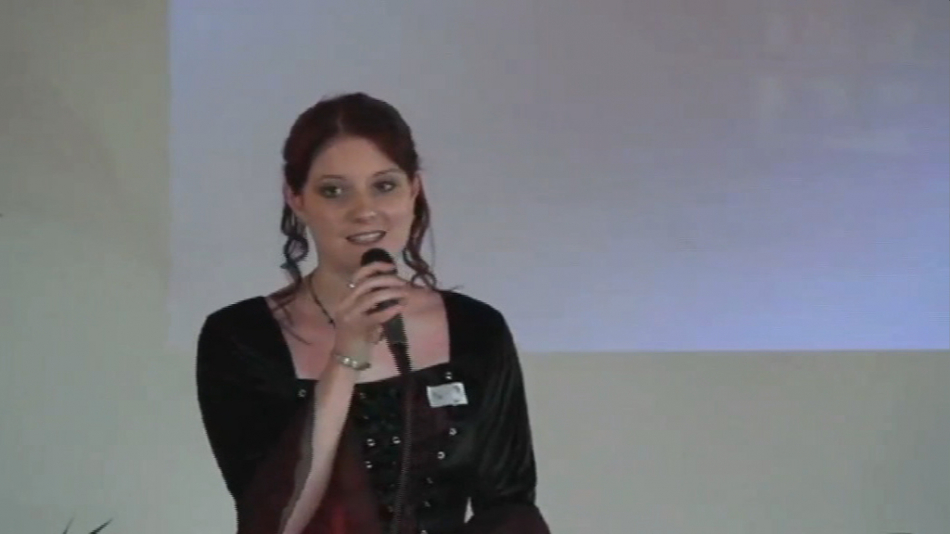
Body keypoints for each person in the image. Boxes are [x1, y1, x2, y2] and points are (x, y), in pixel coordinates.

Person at [195, 92, 550, 534]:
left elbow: (509, 505)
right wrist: (346, 356)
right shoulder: (240, 336)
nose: (364, 211)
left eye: (384, 186)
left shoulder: (477, 329)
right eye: (333, 191)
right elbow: (272, 522)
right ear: (296, 198)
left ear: (414, 189)